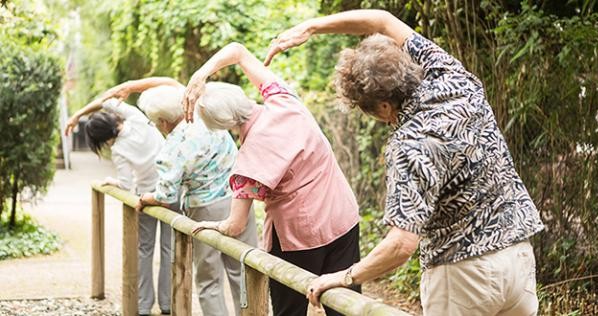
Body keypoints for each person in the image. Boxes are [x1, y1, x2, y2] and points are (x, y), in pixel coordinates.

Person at [266, 9, 545, 316]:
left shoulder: (410, 144)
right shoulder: (450, 75)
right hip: (518, 256)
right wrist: (311, 27)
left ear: (384, 105)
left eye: (370, 111)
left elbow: (401, 244)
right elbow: (383, 21)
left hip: (463, 274)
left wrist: (345, 276)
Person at [182, 43, 361, 316]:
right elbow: (239, 52)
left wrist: (212, 225)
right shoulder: (285, 101)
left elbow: (235, 225)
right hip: (342, 216)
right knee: (347, 304)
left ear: (221, 125)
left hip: (299, 237)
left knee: (290, 309)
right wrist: (203, 74)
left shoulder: (247, 162)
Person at [110, 79, 258, 316]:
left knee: (209, 279)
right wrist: (133, 86)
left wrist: (147, 198)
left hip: (205, 209)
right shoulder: (205, 113)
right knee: (243, 269)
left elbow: (166, 195)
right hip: (239, 200)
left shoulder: (171, 150)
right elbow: (170, 82)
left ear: (164, 122)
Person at [64, 85, 171, 316]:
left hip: (147, 197)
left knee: (144, 249)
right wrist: (79, 114)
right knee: (168, 249)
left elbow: (125, 184)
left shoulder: (119, 150)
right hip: (171, 189)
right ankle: (168, 303)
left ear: (102, 140)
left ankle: (143, 305)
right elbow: (105, 99)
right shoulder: (137, 118)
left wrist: (112, 182)